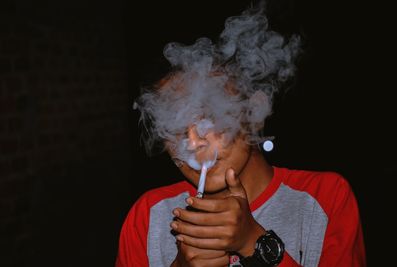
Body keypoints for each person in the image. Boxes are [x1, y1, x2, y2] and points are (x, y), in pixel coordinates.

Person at [116, 4, 366, 267]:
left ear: (254, 112)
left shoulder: (325, 199)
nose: (192, 142)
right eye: (175, 126)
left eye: (209, 116)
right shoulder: (147, 216)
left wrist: (254, 244)